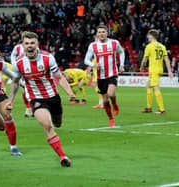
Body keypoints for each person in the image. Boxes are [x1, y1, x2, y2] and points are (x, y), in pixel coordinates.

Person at [9, 32, 75, 167]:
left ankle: (59, 144)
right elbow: (15, 82)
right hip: (36, 98)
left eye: (32, 43)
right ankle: (63, 156)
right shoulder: (19, 63)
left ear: (37, 44)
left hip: (53, 97)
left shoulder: (47, 57)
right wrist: (10, 100)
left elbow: (59, 77)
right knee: (47, 125)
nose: (30, 46)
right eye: (27, 43)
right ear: (22, 45)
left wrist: (69, 92)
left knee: (57, 124)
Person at [84, 25, 125, 127]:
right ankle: (111, 119)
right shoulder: (92, 46)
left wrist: (122, 65)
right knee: (105, 101)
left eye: (103, 32)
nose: (101, 34)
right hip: (100, 77)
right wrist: (94, 65)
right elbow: (86, 60)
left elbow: (121, 52)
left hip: (112, 73)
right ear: (97, 34)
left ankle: (115, 104)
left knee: (111, 94)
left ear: (107, 33)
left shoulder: (114, 43)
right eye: (99, 32)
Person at [140, 29, 173, 114]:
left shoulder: (149, 46)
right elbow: (167, 60)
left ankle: (162, 109)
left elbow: (144, 59)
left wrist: (141, 67)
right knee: (148, 86)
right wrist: (169, 71)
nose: (147, 37)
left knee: (155, 87)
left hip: (153, 69)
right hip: (159, 69)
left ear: (151, 36)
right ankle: (148, 107)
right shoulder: (162, 46)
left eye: (148, 35)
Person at [10, 31, 32, 117]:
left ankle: (32, 108)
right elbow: (13, 56)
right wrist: (14, 65)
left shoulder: (32, 47)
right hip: (22, 71)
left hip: (32, 70)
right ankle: (28, 108)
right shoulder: (17, 47)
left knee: (31, 89)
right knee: (25, 89)